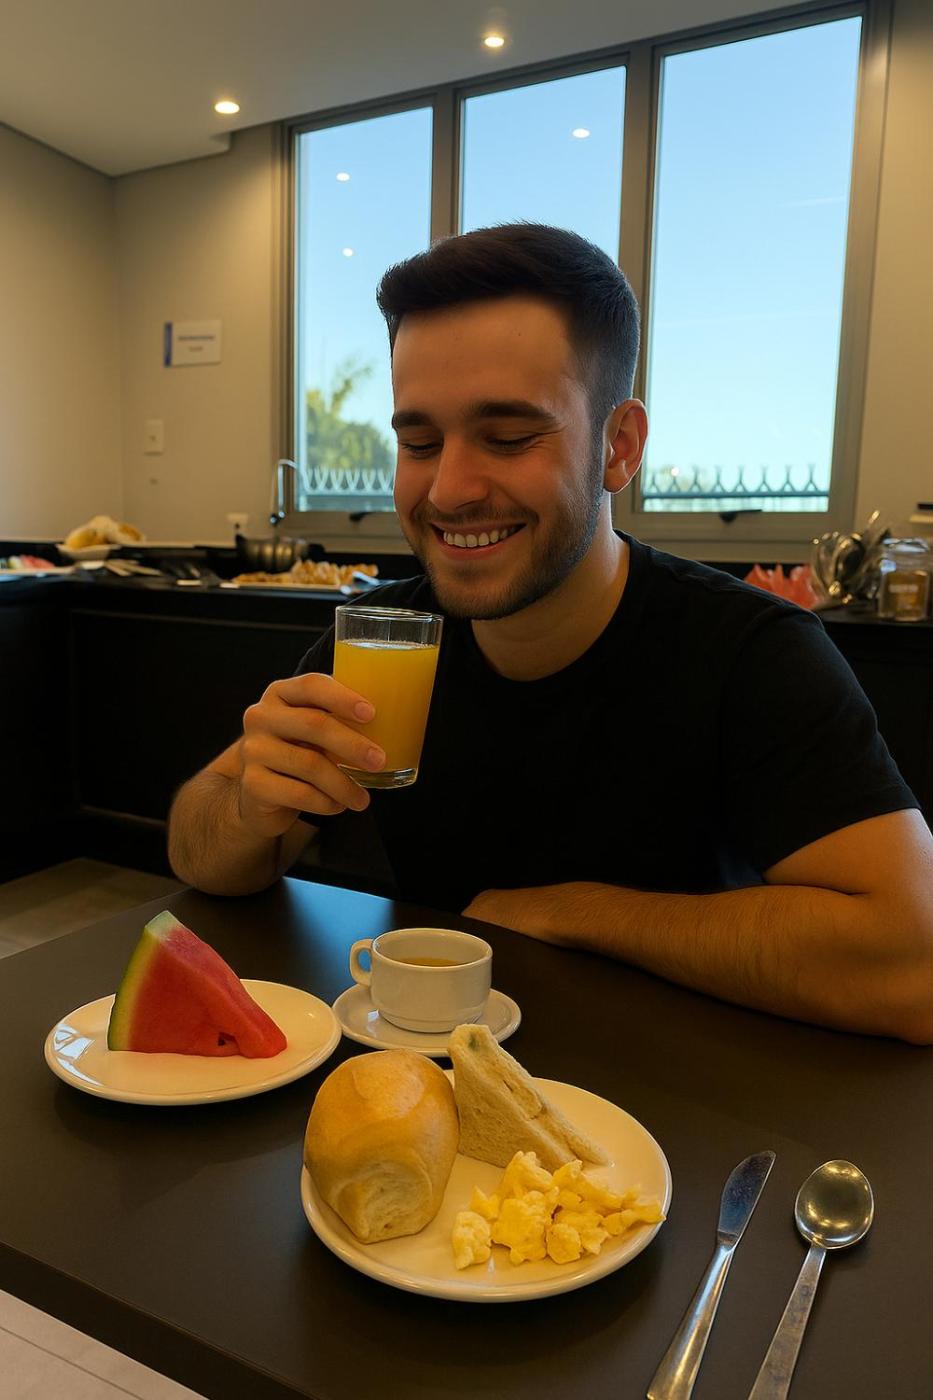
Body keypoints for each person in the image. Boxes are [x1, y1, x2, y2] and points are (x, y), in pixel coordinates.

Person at [168, 223, 933, 1043]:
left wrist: (568, 912)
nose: (448, 490)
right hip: (426, 1071)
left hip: (674, 1092)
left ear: (618, 447)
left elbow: (913, 965)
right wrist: (246, 811)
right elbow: (196, 849)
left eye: (507, 438)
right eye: (418, 441)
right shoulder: (387, 639)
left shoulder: (751, 653)